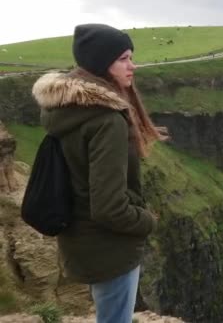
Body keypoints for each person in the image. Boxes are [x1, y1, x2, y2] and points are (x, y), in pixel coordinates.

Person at [31, 23, 168, 323]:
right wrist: (147, 222)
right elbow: (109, 207)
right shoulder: (107, 121)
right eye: (124, 58)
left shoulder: (65, 110)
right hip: (109, 248)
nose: (133, 66)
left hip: (80, 240)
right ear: (100, 63)